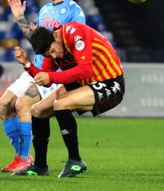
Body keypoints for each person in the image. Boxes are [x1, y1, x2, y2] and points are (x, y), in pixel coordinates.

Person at [0, 0, 85, 173]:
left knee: (22, 105)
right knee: (2, 106)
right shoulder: (45, 10)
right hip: (34, 68)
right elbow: (38, 44)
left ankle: (25, 159)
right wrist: (20, 18)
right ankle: (24, 156)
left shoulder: (74, 11)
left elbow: (75, 47)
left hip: (53, 72)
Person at [14, 22, 125, 177]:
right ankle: (40, 167)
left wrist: (50, 76)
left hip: (109, 81)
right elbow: (46, 78)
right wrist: (27, 64)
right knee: (37, 110)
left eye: (53, 51)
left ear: (55, 36)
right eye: (48, 55)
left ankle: (75, 160)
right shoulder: (50, 47)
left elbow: (86, 70)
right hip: (83, 82)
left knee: (61, 104)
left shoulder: (75, 33)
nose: (53, 56)